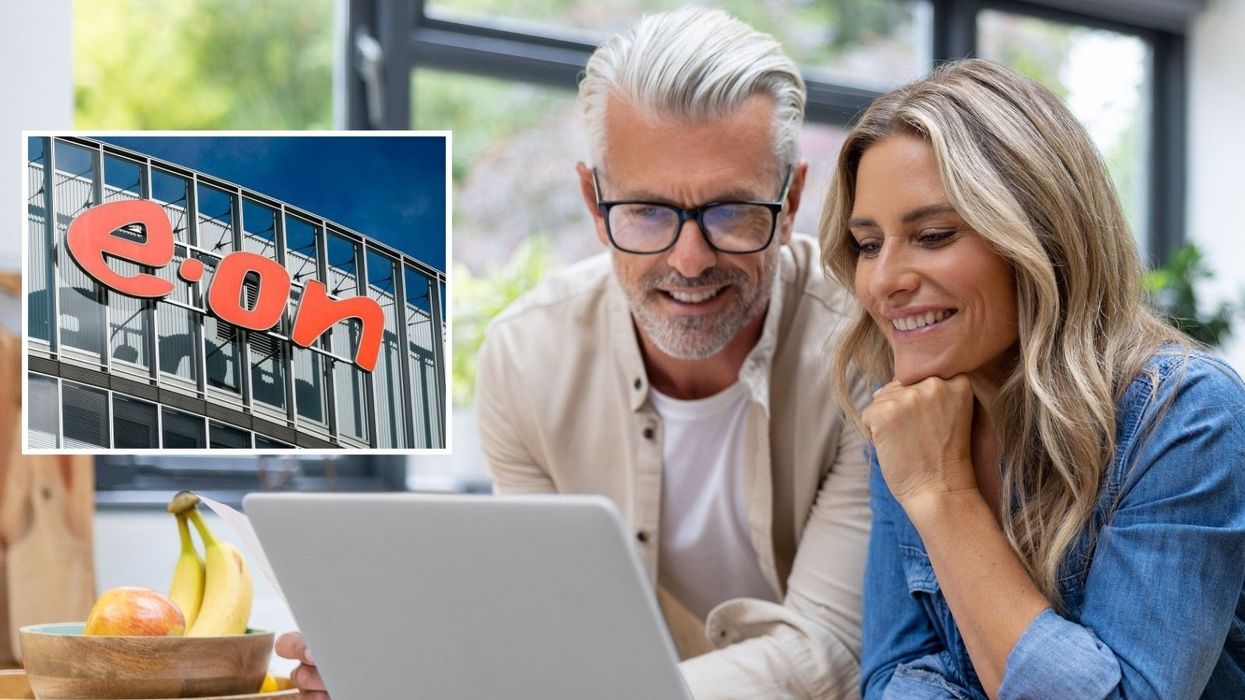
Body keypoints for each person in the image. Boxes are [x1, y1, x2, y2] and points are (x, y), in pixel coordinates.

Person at [278, 7, 872, 699]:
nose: (687, 260)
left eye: (730, 212)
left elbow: (826, 650)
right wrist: (401, 667)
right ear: (593, 201)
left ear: (791, 197)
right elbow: (540, 625)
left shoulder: (861, 350)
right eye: (646, 211)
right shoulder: (527, 358)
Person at [818, 57, 1245, 699]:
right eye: (869, 244)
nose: (883, 282)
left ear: (1041, 239)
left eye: (932, 235)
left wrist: (943, 493)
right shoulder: (910, 416)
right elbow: (889, 677)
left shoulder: (1186, 414)